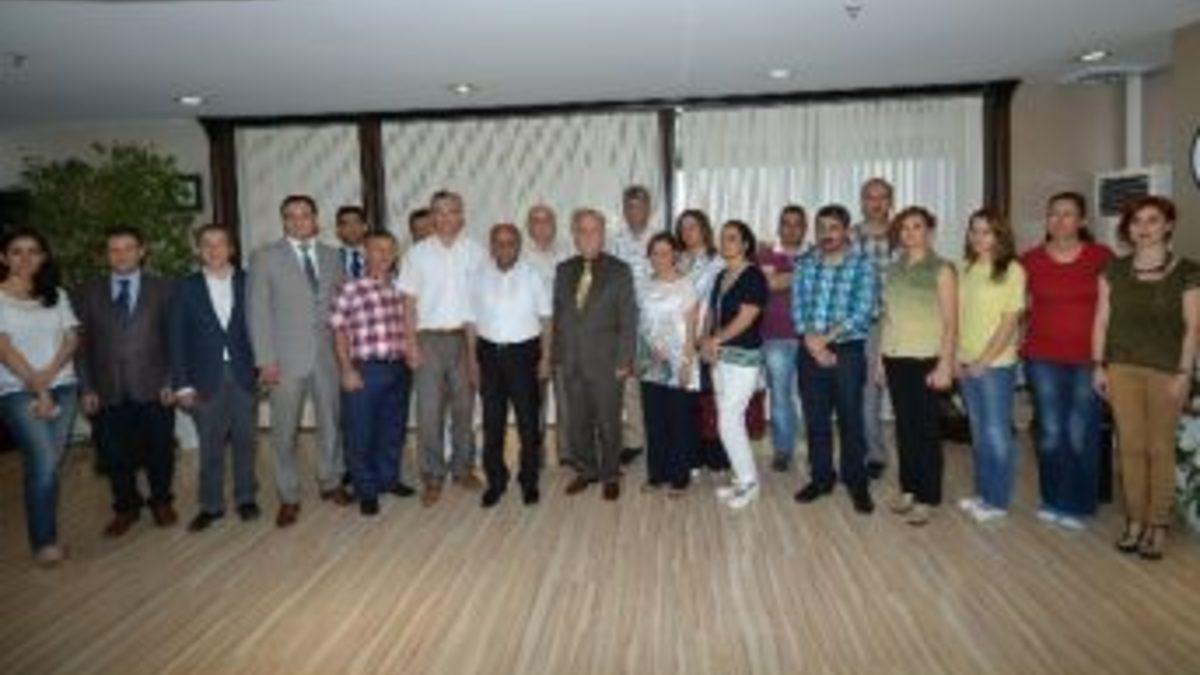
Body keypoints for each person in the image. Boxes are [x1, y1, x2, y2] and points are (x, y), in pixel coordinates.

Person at [1094, 196, 1200, 560]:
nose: (1144, 228)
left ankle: (1157, 525)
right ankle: (1135, 521)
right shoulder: (1113, 270)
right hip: (1121, 368)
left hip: (1167, 372)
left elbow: (1193, 328)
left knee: (1160, 448)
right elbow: (1102, 321)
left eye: (1153, 220)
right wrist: (1098, 366)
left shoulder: (1188, 271)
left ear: (1168, 226)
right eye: (1137, 221)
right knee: (1130, 448)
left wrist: (1184, 374)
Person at [248, 194, 349, 528]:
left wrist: (346, 354)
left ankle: (330, 481)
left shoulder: (333, 256)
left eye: (304, 215)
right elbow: (258, 312)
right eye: (290, 216)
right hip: (284, 360)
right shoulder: (265, 257)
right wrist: (265, 360)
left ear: (315, 219)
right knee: (285, 430)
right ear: (283, 221)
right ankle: (288, 495)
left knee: (331, 422)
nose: (298, 221)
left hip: (327, 356)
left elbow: (342, 307)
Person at [75, 225, 177, 537]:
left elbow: (176, 339)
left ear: (142, 251)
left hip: (155, 386)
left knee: (160, 450)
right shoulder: (87, 291)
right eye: (114, 250)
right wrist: (86, 387)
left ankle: (161, 501)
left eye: (128, 248)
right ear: (106, 255)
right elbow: (80, 345)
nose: (121, 255)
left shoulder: (164, 288)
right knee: (114, 454)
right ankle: (126, 507)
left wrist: (171, 380)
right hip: (107, 389)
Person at [1021, 192, 1113, 531]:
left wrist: (1107, 360)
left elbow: (1113, 309)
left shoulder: (1101, 256)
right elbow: (1019, 308)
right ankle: (1053, 498)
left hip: (1088, 359)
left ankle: (1078, 503)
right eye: (1053, 214)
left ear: (1082, 221)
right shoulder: (1030, 260)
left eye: (1068, 214)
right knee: (1050, 431)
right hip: (1042, 357)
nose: (1059, 220)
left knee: (1079, 432)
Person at [397, 190, 487, 506]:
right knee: (429, 412)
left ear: (461, 216)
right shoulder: (416, 254)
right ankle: (432, 476)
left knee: (465, 409)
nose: (446, 217)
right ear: (433, 216)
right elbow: (408, 303)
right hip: (428, 339)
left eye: (452, 211)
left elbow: (482, 300)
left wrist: (478, 350)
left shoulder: (476, 252)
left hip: (465, 338)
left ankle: (463, 468)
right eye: (439, 212)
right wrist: (410, 343)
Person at [169, 224, 260, 532]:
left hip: (244, 373)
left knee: (246, 441)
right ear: (198, 250)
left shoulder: (250, 282)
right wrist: (181, 384)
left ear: (231, 248)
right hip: (204, 378)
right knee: (210, 445)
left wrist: (265, 366)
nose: (213, 250)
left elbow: (263, 326)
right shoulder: (185, 287)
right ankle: (211, 505)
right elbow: (176, 338)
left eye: (220, 243)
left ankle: (246, 498)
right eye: (206, 244)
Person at [792, 204, 878, 514]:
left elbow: (863, 311)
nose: (826, 234)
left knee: (850, 417)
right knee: (815, 418)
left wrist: (825, 340)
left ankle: (856, 481)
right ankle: (821, 478)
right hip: (809, 348)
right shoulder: (805, 264)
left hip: (848, 350)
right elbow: (798, 307)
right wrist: (813, 343)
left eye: (833, 228)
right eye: (821, 228)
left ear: (845, 231)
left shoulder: (863, 265)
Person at [0, 228, 79, 566]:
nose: (25, 258)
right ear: (3, 257)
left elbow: (71, 338)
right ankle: (44, 543)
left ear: (43, 257)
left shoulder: (56, 295)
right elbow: (4, 348)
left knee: (47, 464)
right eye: (16, 251)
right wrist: (39, 386)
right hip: (17, 390)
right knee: (44, 463)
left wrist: (50, 374)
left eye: (33, 251)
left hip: (64, 385)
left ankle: (44, 534)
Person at [876, 207, 957, 526]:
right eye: (904, 228)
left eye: (917, 226)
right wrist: (880, 360)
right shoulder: (894, 269)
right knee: (904, 428)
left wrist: (945, 364)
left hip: (927, 360)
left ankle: (928, 497)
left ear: (929, 231)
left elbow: (951, 322)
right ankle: (908, 489)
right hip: (896, 358)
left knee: (926, 431)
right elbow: (887, 317)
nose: (909, 232)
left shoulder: (942, 269)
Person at [466, 223, 552, 508]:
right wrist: (472, 361)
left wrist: (545, 358)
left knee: (529, 424)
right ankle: (496, 480)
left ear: (519, 245)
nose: (505, 248)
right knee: (492, 423)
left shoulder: (532, 275)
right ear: (491, 246)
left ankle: (529, 481)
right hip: (488, 355)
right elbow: (471, 322)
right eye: (499, 243)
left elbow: (546, 318)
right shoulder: (478, 276)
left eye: (510, 242)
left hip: (524, 355)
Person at [330, 230, 414, 516]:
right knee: (360, 432)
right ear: (365, 253)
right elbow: (339, 332)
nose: (384, 255)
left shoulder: (400, 289)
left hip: (398, 368)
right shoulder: (349, 289)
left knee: (393, 430)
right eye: (377, 249)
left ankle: (388, 479)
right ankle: (365, 490)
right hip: (364, 370)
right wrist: (346, 369)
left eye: (389, 249)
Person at [555, 208, 637, 501]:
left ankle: (611, 473)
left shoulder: (620, 270)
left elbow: (629, 319)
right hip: (571, 361)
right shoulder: (563, 270)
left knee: (608, 421)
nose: (589, 236)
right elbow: (559, 316)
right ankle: (587, 470)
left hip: (607, 363)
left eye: (594, 231)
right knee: (577, 422)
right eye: (583, 231)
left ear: (603, 235)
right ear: (575, 236)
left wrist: (625, 360)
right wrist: (558, 357)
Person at [957, 209, 1026, 524]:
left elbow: (1010, 322)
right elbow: (958, 316)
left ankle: (997, 500)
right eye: (974, 230)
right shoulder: (965, 267)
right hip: (966, 362)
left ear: (1000, 235)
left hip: (995, 365)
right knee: (978, 432)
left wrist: (984, 360)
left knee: (996, 432)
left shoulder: (1012, 270)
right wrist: (957, 356)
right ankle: (983, 494)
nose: (978, 237)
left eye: (986, 231)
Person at [700, 220, 768, 509]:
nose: (725, 242)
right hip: (720, 357)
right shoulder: (722, 275)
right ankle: (741, 479)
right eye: (723, 237)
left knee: (729, 420)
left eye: (732, 238)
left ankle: (750, 483)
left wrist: (715, 339)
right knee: (728, 421)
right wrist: (706, 340)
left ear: (745, 244)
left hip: (743, 358)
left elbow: (747, 317)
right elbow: (712, 313)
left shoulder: (754, 275)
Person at [638, 232, 700, 495]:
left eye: (665, 253)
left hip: (679, 362)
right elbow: (641, 325)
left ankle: (679, 478)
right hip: (650, 361)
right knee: (654, 420)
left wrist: (686, 362)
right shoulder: (643, 286)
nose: (660, 258)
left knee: (679, 420)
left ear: (674, 255)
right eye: (655, 253)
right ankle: (656, 475)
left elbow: (692, 327)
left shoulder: (686, 285)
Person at [675, 208, 730, 473]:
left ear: (704, 229)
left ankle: (716, 453)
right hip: (681, 338)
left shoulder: (718, 261)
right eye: (683, 228)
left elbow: (719, 302)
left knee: (712, 398)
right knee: (688, 400)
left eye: (693, 226)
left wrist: (709, 336)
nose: (687, 232)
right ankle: (692, 453)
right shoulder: (677, 261)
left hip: (709, 337)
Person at [607, 185, 658, 465]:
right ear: (624, 210)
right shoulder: (614, 242)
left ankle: (660, 438)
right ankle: (636, 440)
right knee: (629, 384)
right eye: (629, 206)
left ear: (648, 209)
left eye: (639, 206)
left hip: (656, 322)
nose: (634, 211)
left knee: (656, 380)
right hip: (624, 322)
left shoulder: (661, 238)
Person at [522, 204, 573, 469]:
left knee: (567, 397)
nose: (542, 225)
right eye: (536, 220)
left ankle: (568, 451)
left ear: (554, 225)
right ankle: (535, 451)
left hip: (564, 334)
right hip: (531, 334)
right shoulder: (519, 256)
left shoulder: (568, 252)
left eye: (547, 220)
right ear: (529, 226)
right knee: (533, 399)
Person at [757, 204, 807, 472]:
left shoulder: (815, 254)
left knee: (814, 398)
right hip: (776, 336)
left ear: (805, 228)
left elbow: (778, 282)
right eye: (786, 223)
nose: (791, 228)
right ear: (779, 226)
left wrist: (784, 277)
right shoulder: (766, 255)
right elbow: (768, 284)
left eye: (797, 223)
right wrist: (804, 273)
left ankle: (815, 449)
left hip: (812, 336)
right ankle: (783, 449)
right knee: (780, 397)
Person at [855, 177, 895, 479]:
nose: (876, 203)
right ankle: (874, 453)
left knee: (905, 394)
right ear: (862, 202)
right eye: (870, 197)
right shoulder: (850, 236)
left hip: (901, 323)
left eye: (882, 197)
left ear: (890, 201)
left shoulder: (903, 234)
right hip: (864, 324)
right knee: (868, 391)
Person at [335, 205, 369, 280]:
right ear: (338, 230)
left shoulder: (376, 256)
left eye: (356, 222)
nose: (352, 227)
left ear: (365, 227)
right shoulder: (331, 259)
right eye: (345, 223)